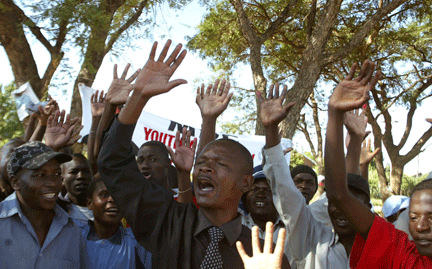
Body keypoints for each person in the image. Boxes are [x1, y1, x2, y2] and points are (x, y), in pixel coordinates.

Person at [97, 40, 290, 268]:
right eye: (201, 163)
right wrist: (138, 96)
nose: (205, 169)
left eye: (220, 164)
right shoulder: (166, 220)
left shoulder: (263, 255)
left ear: (246, 183)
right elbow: (113, 161)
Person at [324, 60, 432, 267]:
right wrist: (334, 115)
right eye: (413, 217)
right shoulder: (401, 254)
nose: (421, 227)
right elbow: (338, 194)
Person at [257, 82, 372, 268]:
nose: (341, 207)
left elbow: (345, 187)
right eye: (334, 202)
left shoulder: (385, 246)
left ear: (368, 207)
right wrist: (270, 130)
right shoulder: (312, 238)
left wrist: (355, 142)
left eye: (351, 202)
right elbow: (286, 191)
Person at [0, 141, 88, 268]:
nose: (53, 183)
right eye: (41, 175)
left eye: (57, 174)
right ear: (15, 182)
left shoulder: (71, 230)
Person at [76, 175, 152, 269]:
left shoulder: (136, 242)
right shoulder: (75, 236)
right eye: (104, 195)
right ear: (89, 203)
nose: (112, 199)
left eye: (118, 195)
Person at [60, 153, 94, 220]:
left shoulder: (104, 208)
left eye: (86, 171)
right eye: (73, 172)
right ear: (62, 179)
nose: (81, 176)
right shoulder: (57, 209)